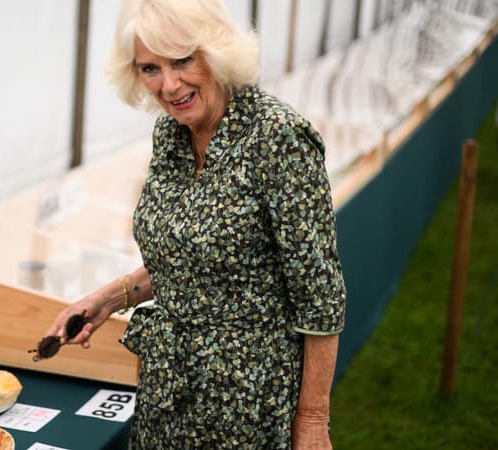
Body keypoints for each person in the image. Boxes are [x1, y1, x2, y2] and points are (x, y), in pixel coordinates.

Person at [42, 0, 346, 448]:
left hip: (248, 402)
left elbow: (320, 295)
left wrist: (313, 422)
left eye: (183, 60)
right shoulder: (171, 134)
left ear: (218, 50)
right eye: (150, 68)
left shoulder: (277, 137)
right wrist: (106, 300)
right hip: (168, 392)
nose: (169, 85)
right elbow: (189, 255)